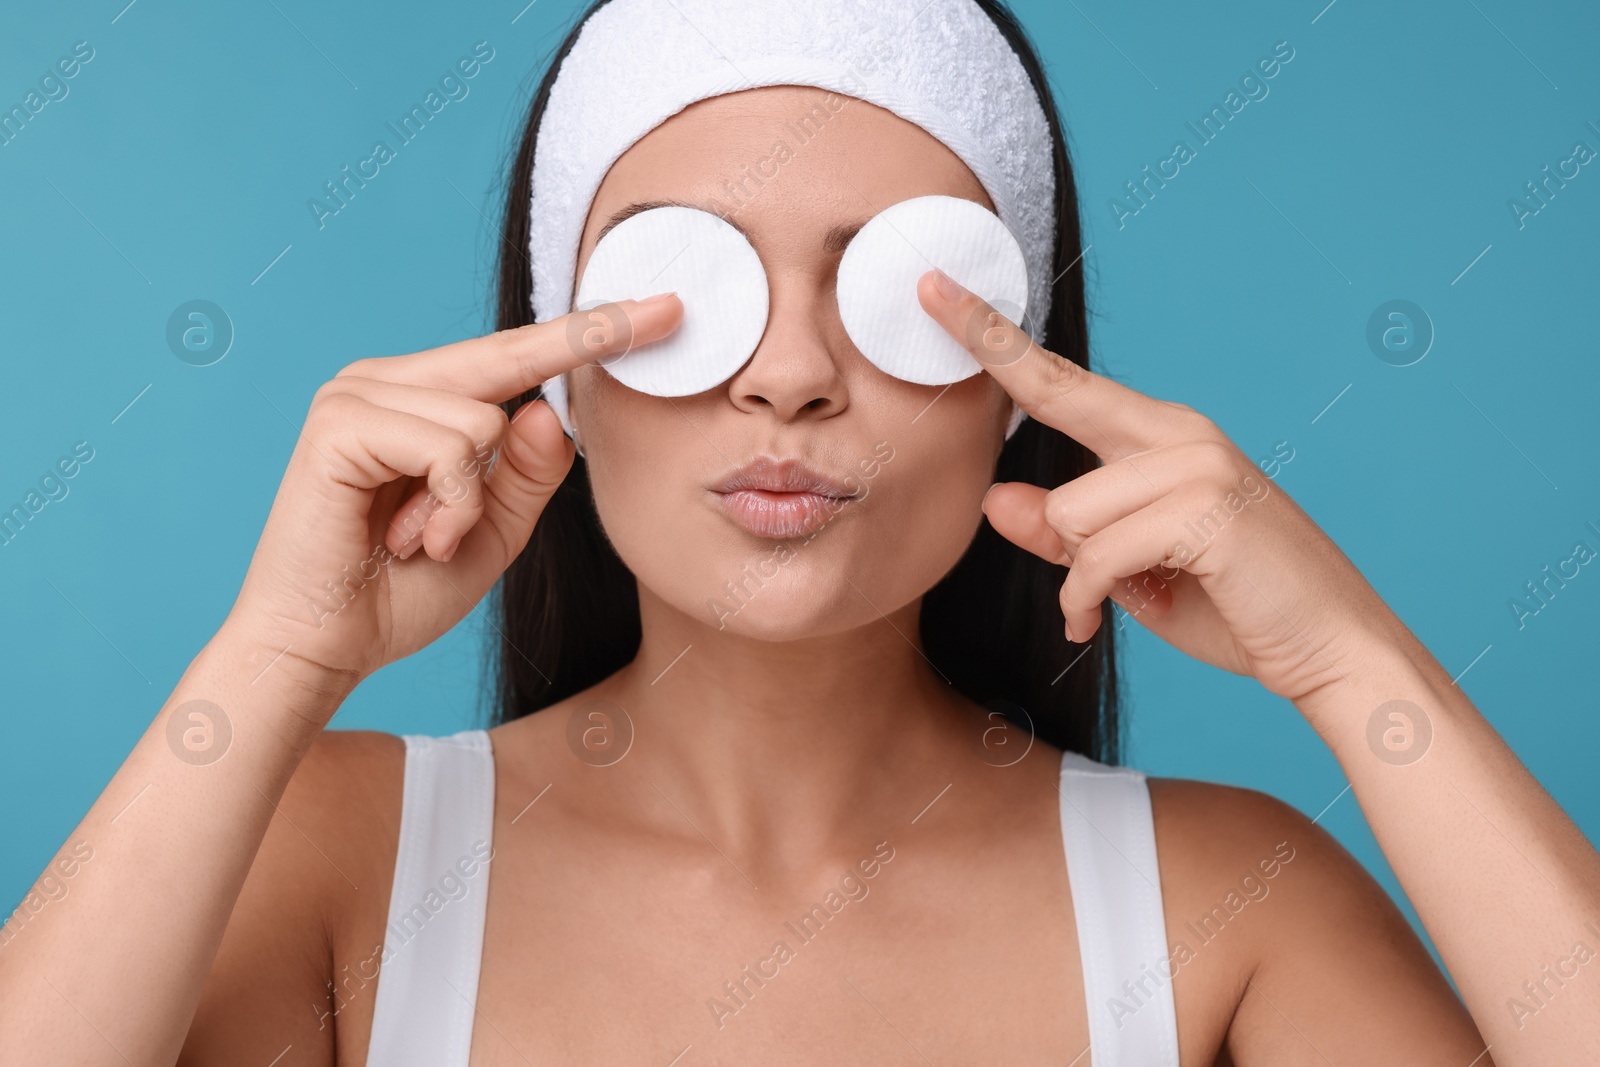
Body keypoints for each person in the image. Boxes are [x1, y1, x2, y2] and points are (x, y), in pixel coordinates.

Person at [3, 0, 1597, 1063]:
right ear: (566, 364)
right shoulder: (337, 859)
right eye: (694, 288)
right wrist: (278, 655)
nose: (790, 376)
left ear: (1013, 387)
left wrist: (1356, 667)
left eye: (900, 292)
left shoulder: (1230, 907)